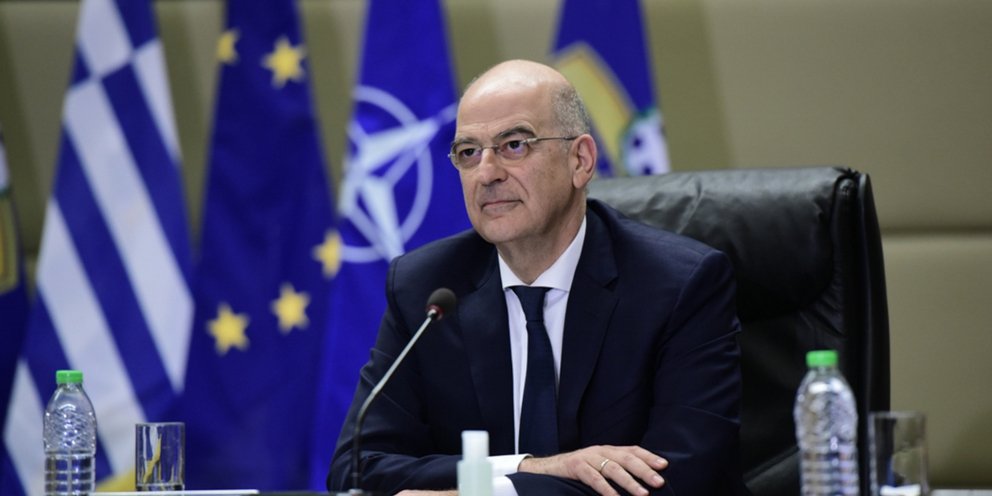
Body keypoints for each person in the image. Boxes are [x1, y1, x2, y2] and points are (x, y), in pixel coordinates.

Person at [328, 59, 748, 496]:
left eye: (514, 145)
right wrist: (533, 468)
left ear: (580, 160)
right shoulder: (427, 287)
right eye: (469, 152)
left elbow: (681, 478)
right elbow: (357, 468)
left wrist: (490, 492)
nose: (486, 173)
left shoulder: (678, 285)